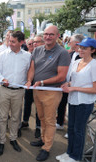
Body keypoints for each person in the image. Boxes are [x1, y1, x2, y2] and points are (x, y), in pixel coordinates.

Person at [26, 25, 70, 161]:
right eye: (46, 34)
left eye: (51, 34)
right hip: (37, 90)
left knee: (50, 120)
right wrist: (29, 80)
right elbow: (32, 69)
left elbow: (61, 76)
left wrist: (42, 82)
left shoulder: (62, 53)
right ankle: (44, 139)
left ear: (57, 36)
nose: (48, 37)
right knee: (41, 117)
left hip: (51, 92)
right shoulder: (37, 50)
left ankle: (46, 147)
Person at [56, 38, 96, 162]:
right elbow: (74, 80)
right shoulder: (76, 62)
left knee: (78, 130)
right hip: (73, 100)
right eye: (80, 47)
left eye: (84, 48)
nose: (80, 50)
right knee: (71, 128)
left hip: (85, 102)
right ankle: (69, 152)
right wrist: (68, 84)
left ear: (92, 50)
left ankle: (76, 157)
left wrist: (74, 88)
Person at [0, 31, 31, 155]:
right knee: (3, 117)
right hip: (4, 91)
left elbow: (29, 72)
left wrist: (29, 81)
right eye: (9, 41)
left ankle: (13, 139)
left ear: (21, 42)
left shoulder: (27, 56)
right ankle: (1, 141)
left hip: (19, 92)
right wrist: (2, 79)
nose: (10, 43)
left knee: (16, 118)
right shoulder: (2, 54)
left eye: (13, 41)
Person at [21, 35, 44, 138]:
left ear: (42, 43)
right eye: (31, 43)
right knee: (27, 103)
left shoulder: (44, 54)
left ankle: (38, 127)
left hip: (40, 85)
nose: (33, 45)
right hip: (29, 84)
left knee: (39, 107)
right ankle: (25, 121)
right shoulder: (26, 55)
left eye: (36, 42)